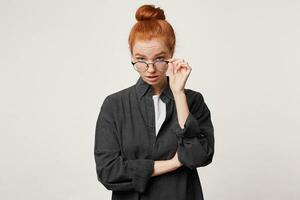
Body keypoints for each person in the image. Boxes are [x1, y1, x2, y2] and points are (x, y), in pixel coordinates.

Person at [94, 4, 214, 200]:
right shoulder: (115, 105)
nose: (150, 69)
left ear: (171, 55)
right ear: (131, 56)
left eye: (159, 59)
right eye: (140, 59)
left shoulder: (193, 100)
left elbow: (198, 157)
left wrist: (179, 94)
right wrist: (173, 163)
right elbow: (108, 172)